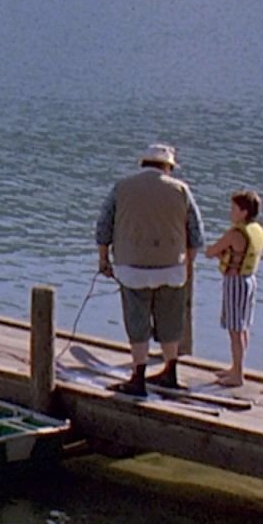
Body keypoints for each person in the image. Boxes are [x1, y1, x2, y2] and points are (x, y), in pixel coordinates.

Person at [95, 144, 206, 396]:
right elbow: (196, 234)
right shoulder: (181, 190)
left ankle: (138, 378)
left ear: (143, 163)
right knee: (170, 322)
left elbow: (104, 225)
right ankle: (170, 372)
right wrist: (187, 264)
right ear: (168, 167)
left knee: (137, 323)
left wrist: (103, 259)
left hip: (131, 268)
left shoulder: (122, 187)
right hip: (172, 269)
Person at [203, 190, 263, 387]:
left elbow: (210, 251)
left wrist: (219, 254)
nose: (230, 212)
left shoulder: (235, 234)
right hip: (250, 280)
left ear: (244, 212)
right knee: (243, 327)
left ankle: (237, 375)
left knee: (235, 330)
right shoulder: (256, 229)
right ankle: (236, 368)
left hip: (235, 282)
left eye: (234, 209)